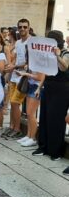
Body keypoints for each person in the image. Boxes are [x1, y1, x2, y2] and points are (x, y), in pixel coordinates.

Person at [33, 30, 69, 161]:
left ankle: (56, 151)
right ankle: (43, 147)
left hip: (61, 89)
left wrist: (57, 56)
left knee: (57, 120)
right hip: (48, 87)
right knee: (44, 118)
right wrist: (39, 87)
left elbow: (64, 67)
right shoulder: (47, 52)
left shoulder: (65, 53)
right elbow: (46, 72)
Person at [2, 19, 31, 140]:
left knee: (14, 102)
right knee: (12, 104)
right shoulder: (18, 42)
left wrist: (15, 66)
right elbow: (17, 59)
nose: (22, 29)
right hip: (14, 75)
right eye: (20, 27)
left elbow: (29, 61)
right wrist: (11, 67)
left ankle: (18, 129)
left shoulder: (31, 42)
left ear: (29, 28)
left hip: (24, 77)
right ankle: (13, 126)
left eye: (25, 27)